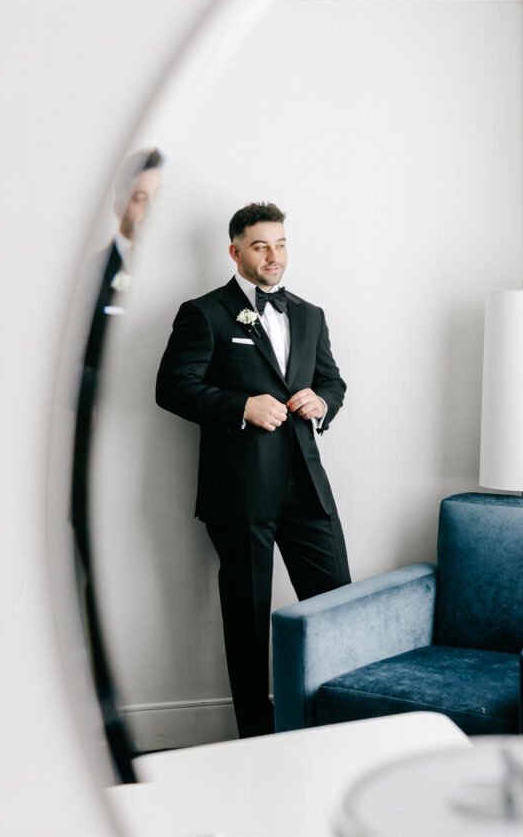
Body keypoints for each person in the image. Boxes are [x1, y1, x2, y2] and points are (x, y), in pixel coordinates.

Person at [155, 201, 350, 738]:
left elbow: (333, 382)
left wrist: (322, 403)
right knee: (246, 625)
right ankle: (256, 741)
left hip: (307, 488)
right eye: (261, 245)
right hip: (240, 493)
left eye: (281, 243)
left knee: (339, 608)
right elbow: (172, 387)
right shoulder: (205, 312)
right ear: (235, 250)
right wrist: (241, 407)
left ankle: (334, 727)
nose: (274, 255)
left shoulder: (309, 314)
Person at [70, 146, 164, 782]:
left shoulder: (188, 288)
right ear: (116, 203)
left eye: (157, 199)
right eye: (138, 199)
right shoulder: (86, 280)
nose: (148, 212)